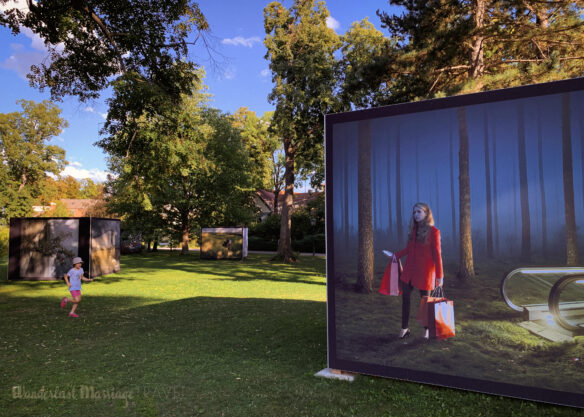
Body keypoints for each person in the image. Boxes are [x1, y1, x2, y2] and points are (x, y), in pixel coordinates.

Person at [386, 203, 444, 339]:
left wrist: (440, 276)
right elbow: (408, 250)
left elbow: (437, 255)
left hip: (425, 272)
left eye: (419, 211)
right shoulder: (413, 231)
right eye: (414, 212)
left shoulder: (434, 232)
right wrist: (394, 255)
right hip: (409, 270)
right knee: (405, 298)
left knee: (425, 302)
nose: (416, 214)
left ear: (426, 213)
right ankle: (404, 328)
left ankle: (427, 330)